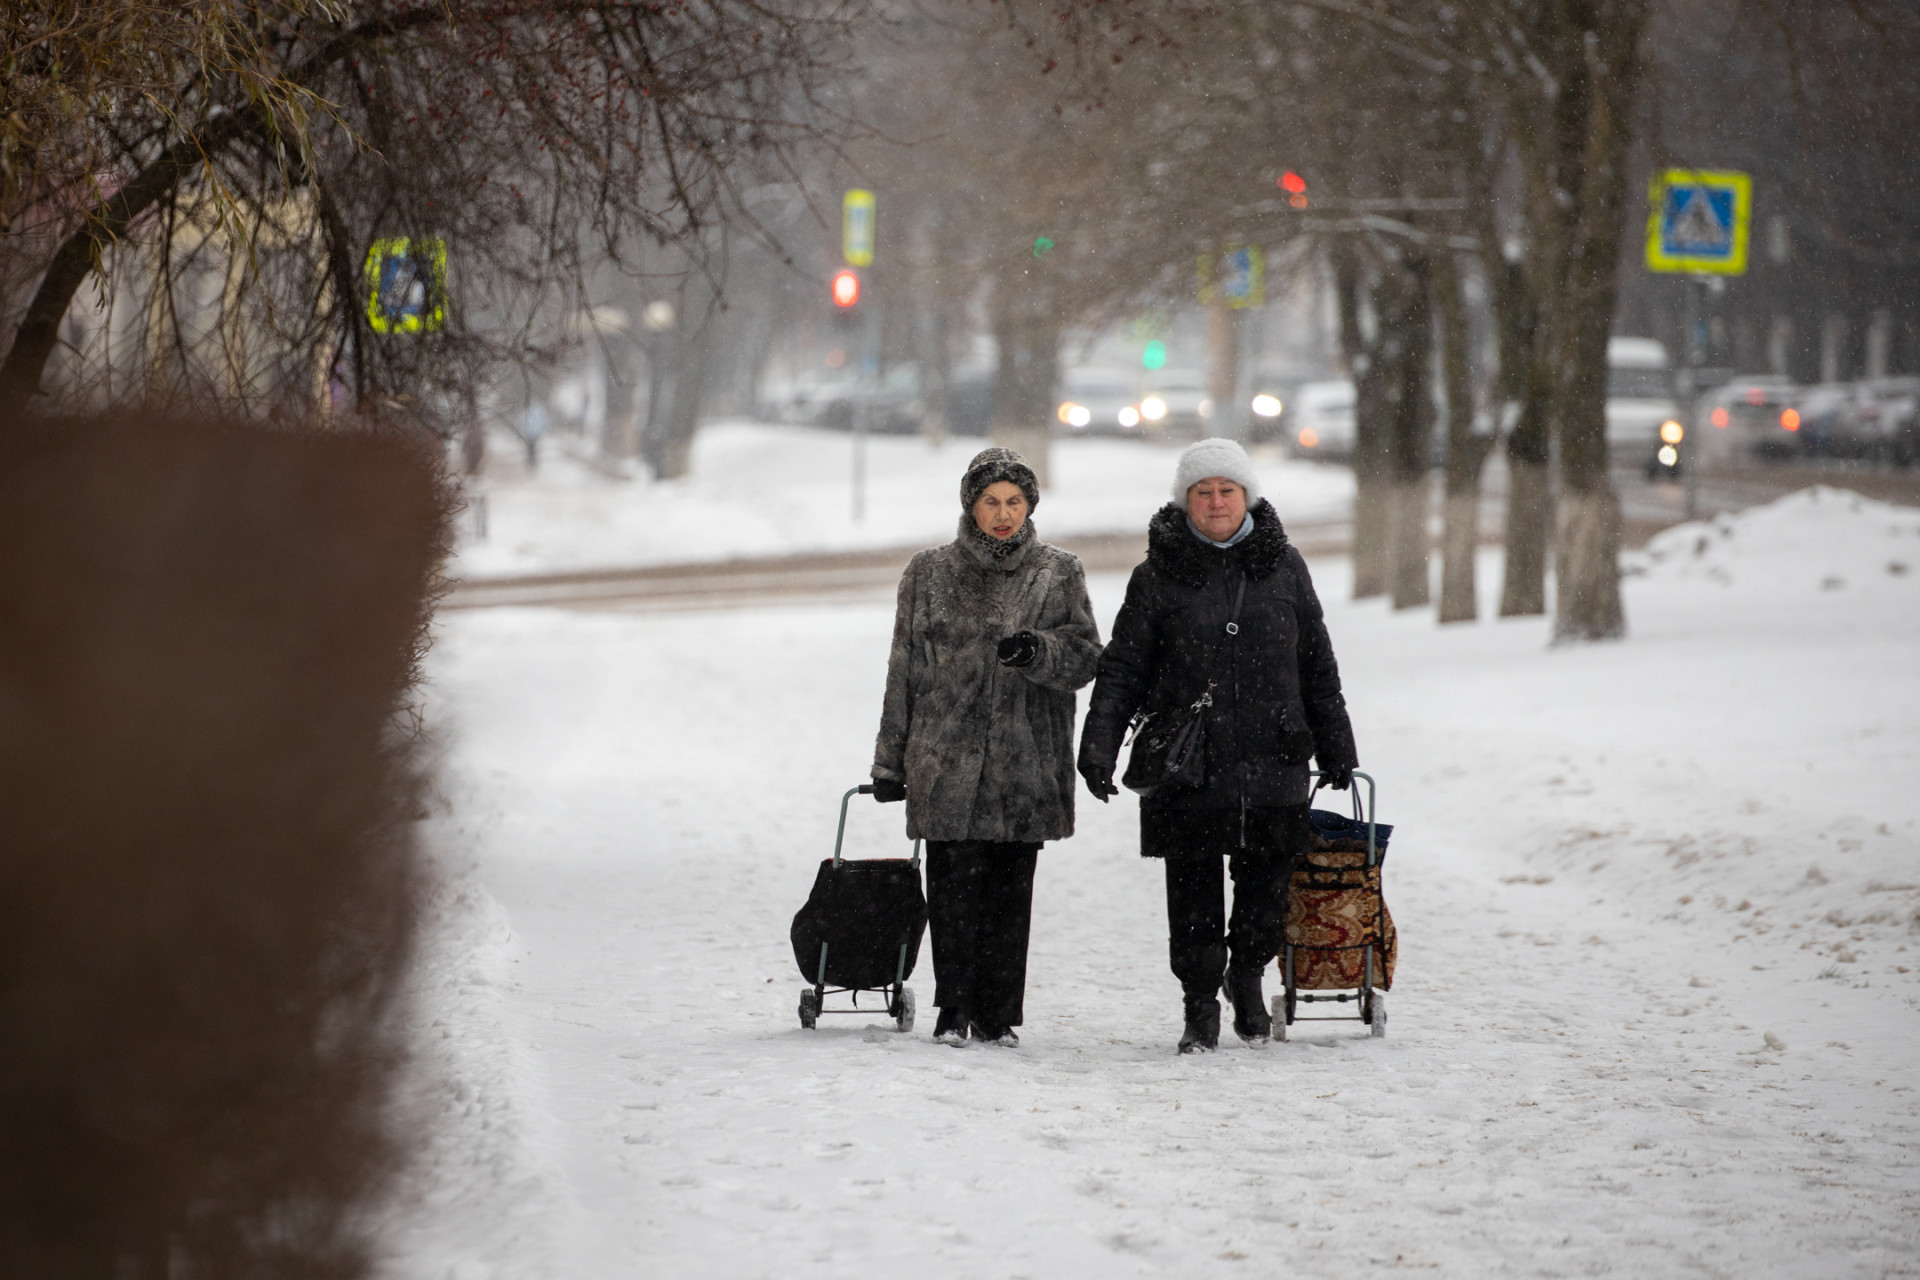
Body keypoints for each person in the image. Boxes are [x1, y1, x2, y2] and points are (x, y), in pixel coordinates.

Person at [1077, 438, 1358, 1053]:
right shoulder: (1155, 576)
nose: (1215, 502)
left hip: (1274, 750)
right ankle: (1199, 1004)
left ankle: (1249, 976)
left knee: (1266, 886)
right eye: (1202, 492)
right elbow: (1122, 667)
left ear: (1247, 496)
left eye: (1226, 490)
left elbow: (1317, 662)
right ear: (1185, 502)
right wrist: (1098, 745)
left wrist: (1337, 742)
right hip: (1189, 760)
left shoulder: (1285, 568)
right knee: (1193, 891)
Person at [871, 447, 1102, 1046]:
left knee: (1009, 893)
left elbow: (1085, 657)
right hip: (944, 758)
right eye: (991, 502)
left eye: (1015, 502)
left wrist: (1039, 653)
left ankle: (997, 1014)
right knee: (950, 890)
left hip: (1025, 761)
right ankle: (953, 1009)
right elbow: (903, 669)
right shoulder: (929, 573)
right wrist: (888, 762)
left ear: (1030, 507)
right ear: (970, 506)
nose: (1003, 515)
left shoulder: (1059, 571)